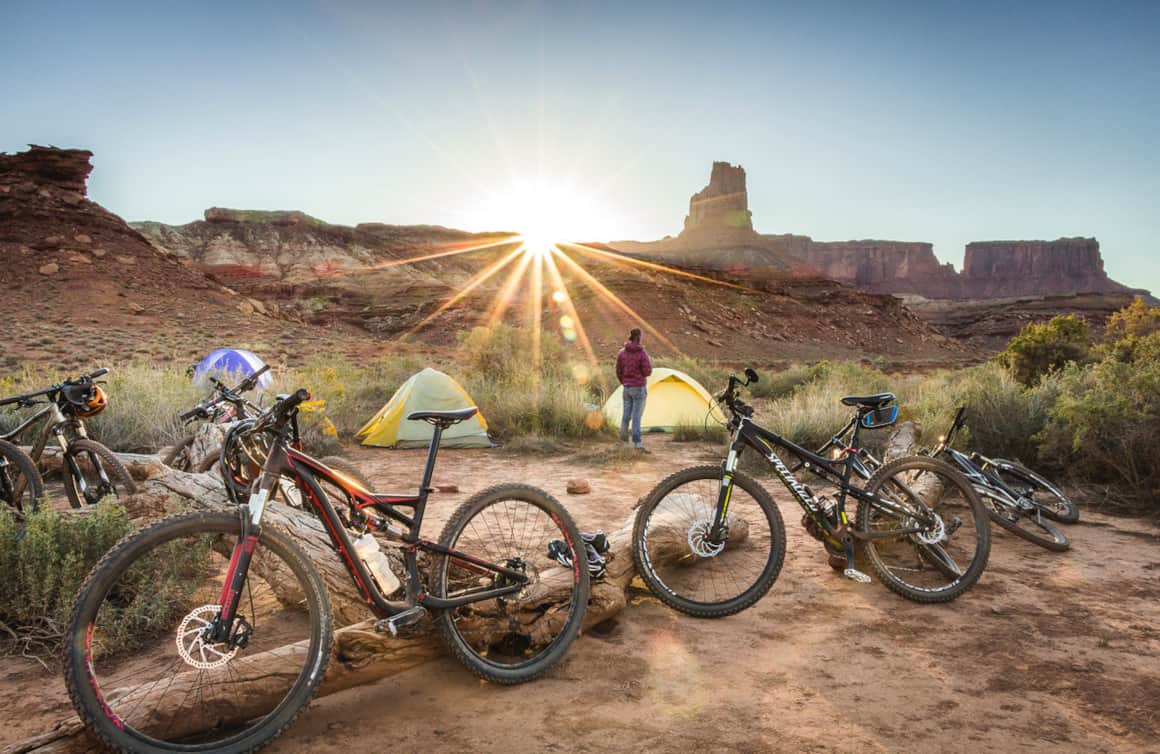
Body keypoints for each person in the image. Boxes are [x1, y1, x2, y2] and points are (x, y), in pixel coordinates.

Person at [615, 327, 652, 452]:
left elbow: (618, 371)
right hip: (638, 388)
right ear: (639, 337)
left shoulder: (621, 353)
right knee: (636, 416)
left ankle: (623, 442)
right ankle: (637, 444)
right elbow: (647, 371)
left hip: (627, 388)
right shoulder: (642, 353)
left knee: (626, 416)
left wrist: (624, 382)